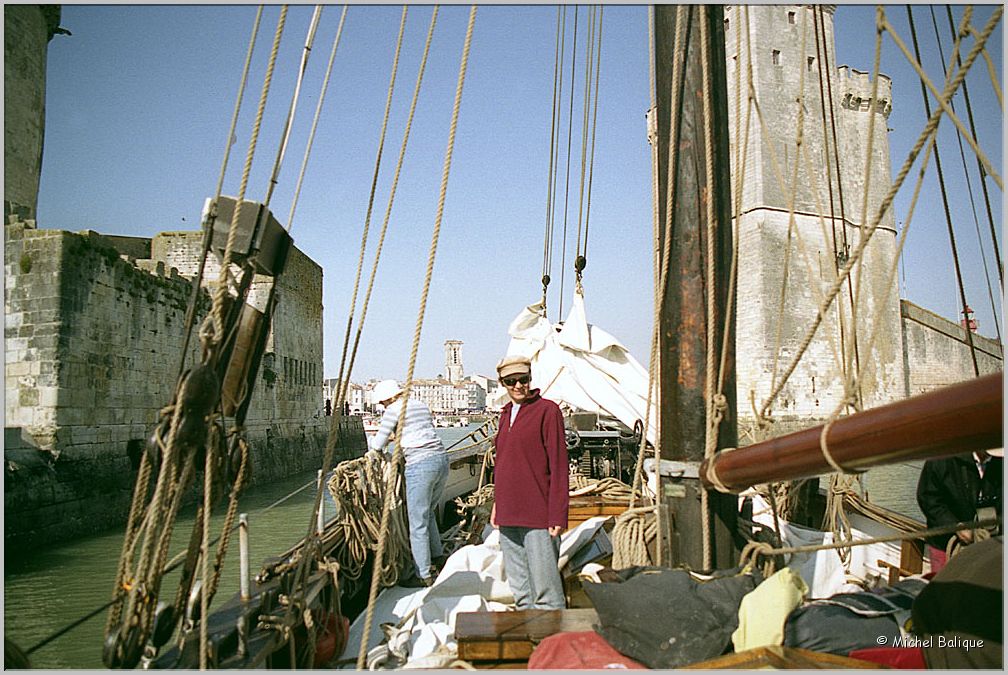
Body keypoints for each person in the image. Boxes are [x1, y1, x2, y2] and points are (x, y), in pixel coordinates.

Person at [490, 355, 569, 610]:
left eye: (522, 380)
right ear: (502, 383)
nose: (517, 386)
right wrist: (496, 505)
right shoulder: (504, 414)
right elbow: (502, 462)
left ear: (530, 379)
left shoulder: (548, 410)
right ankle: (528, 641)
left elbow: (558, 465)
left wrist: (557, 513)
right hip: (508, 513)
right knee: (521, 591)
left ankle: (553, 643)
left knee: (546, 591)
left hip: (538, 513)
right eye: (510, 381)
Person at [369, 379, 449, 586]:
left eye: (382, 403)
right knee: (428, 511)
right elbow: (417, 431)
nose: (383, 407)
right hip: (441, 459)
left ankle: (423, 575)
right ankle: (438, 556)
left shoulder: (393, 411)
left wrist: (376, 446)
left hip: (420, 464)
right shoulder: (420, 405)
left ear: (387, 399)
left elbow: (377, 444)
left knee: (417, 522)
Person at [916, 448, 1003, 572]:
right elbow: (928, 498)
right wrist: (955, 525)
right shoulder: (941, 459)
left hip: (992, 544)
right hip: (945, 543)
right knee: (946, 586)